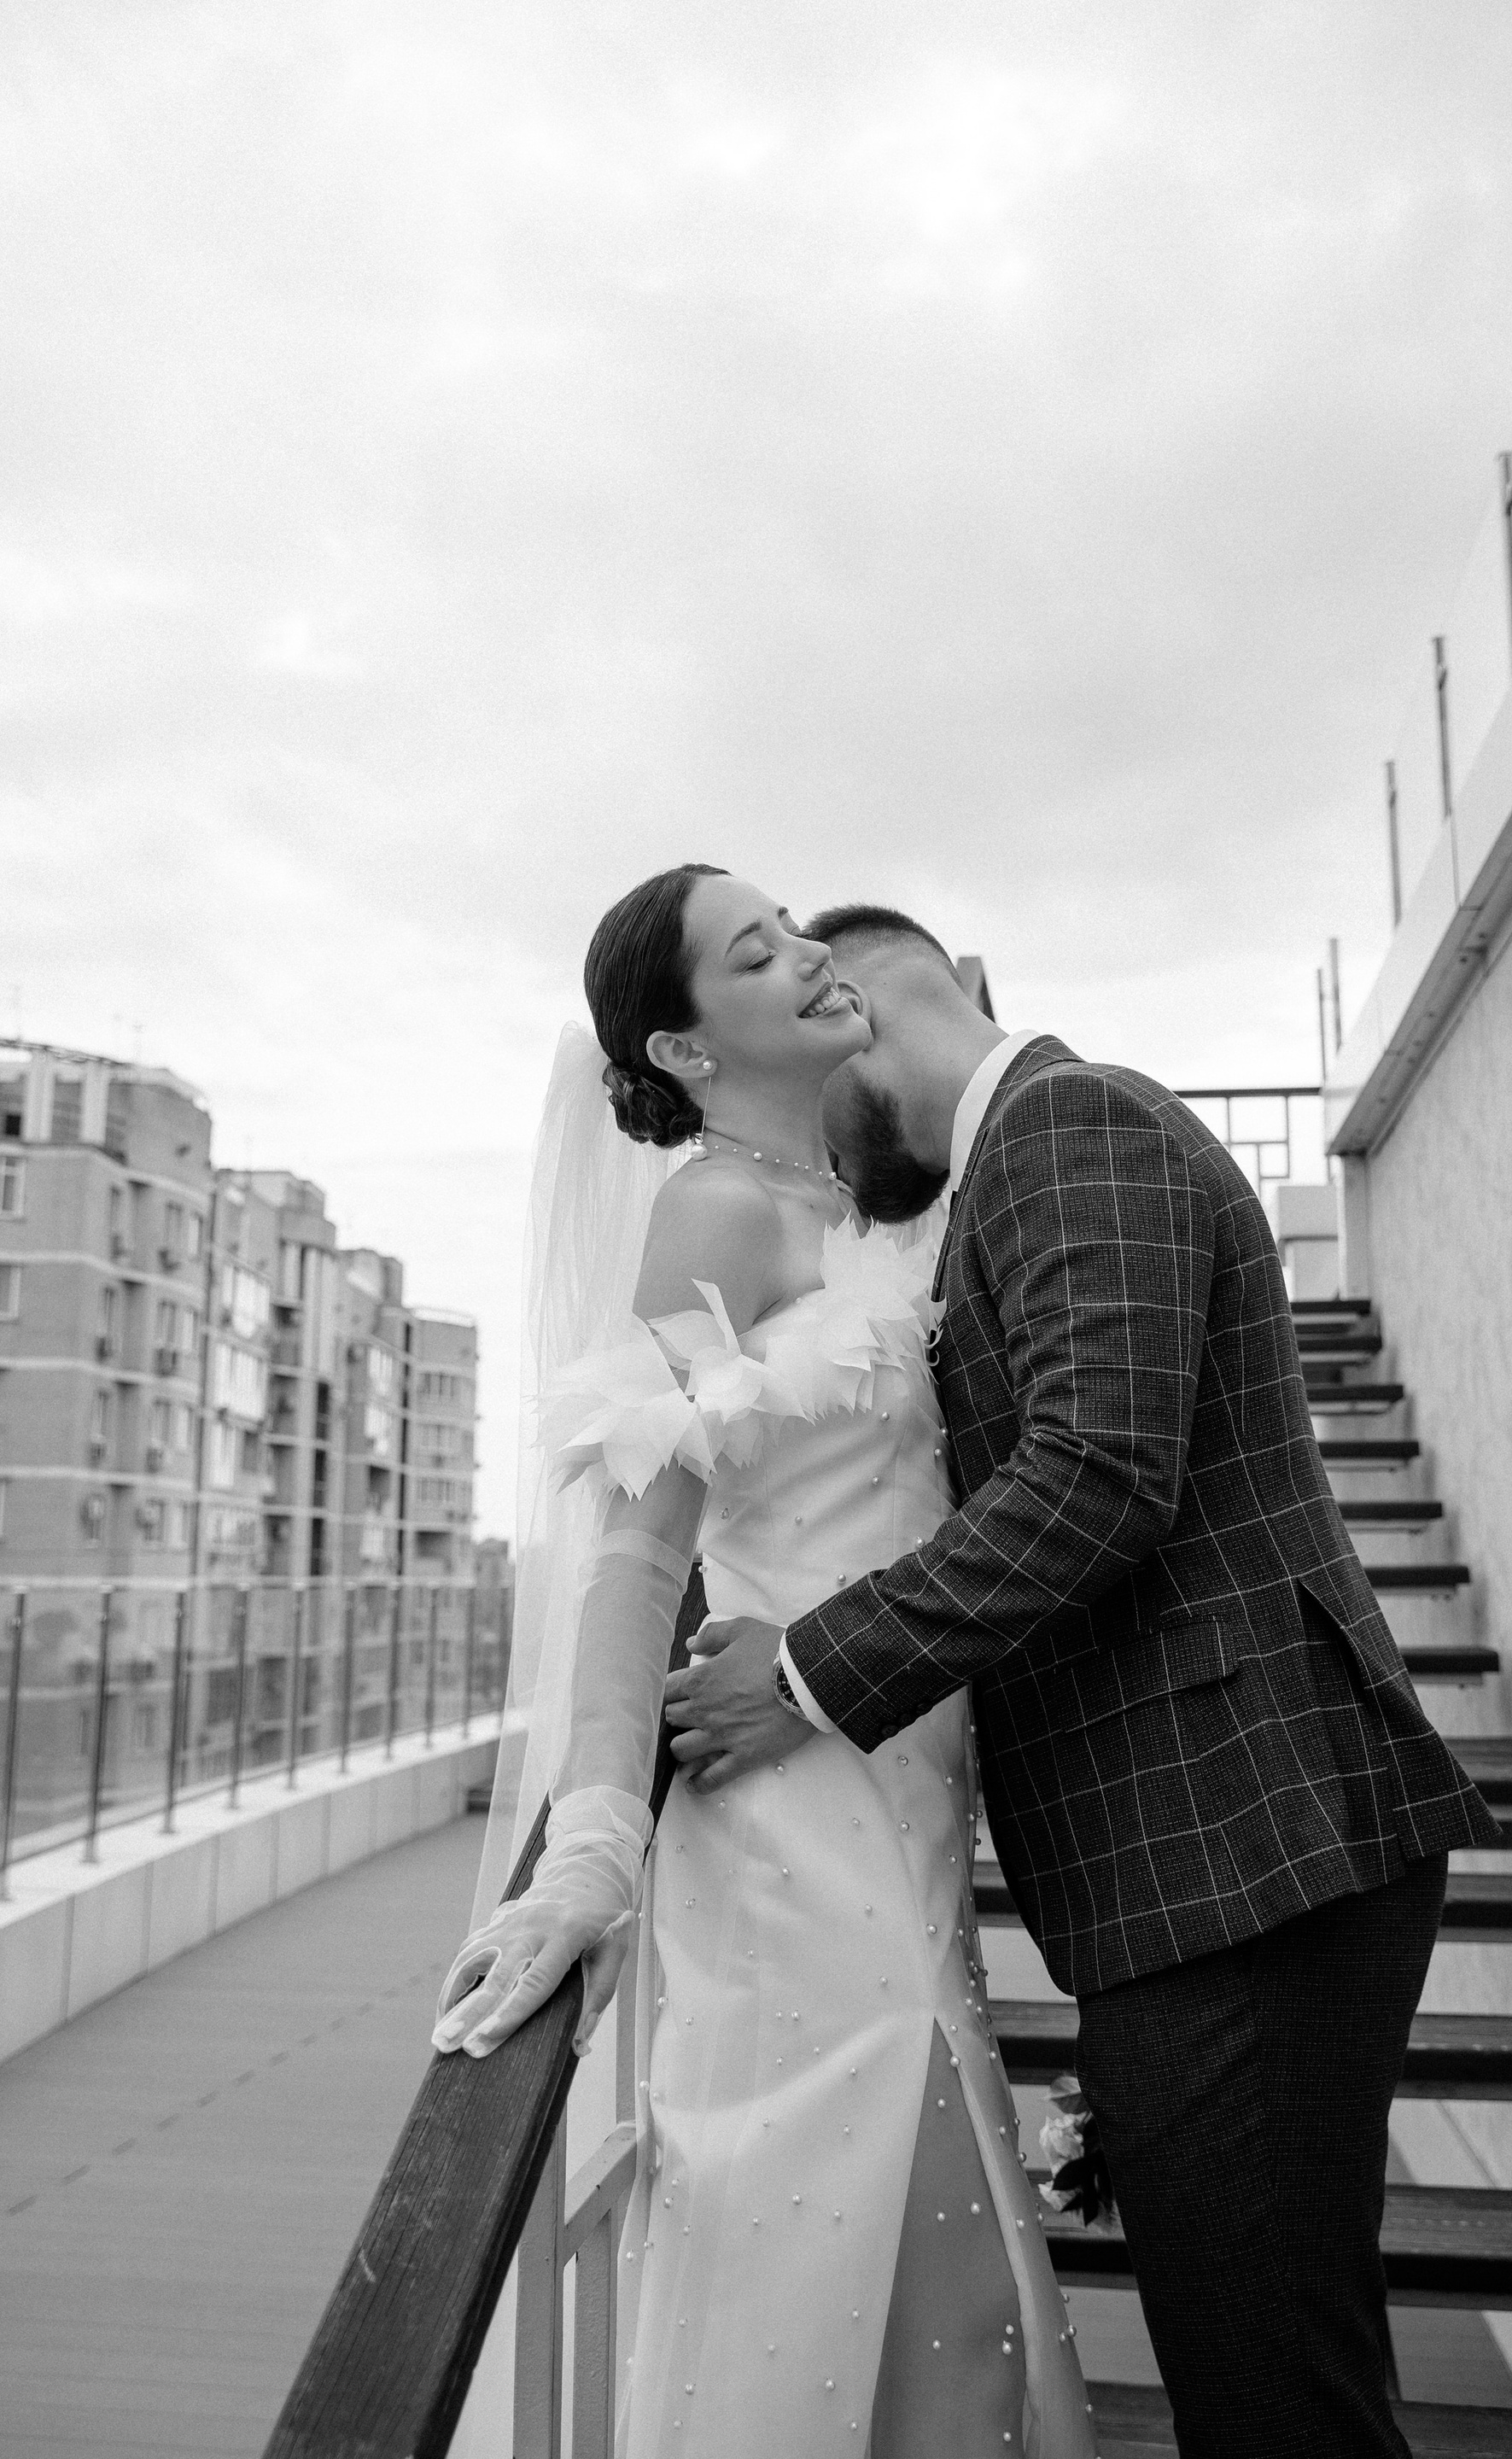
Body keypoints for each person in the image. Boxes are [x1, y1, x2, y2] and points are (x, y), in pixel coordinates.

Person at [664, 904, 1506, 2459]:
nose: (831, 1174)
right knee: (1276, 2371)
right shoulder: (1029, 1158)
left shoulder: (1071, 1124)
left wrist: (806, 1669)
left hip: (1246, 1849)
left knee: (1277, 2406)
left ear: (867, 1010)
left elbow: (1097, 1474)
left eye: (829, 1128)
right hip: (1211, 1863)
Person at [433, 866, 1095, 2459]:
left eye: (793, 928)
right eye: (756, 953)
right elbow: (638, 1550)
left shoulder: (855, 1208)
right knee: (881, 2256)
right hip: (793, 1828)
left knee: (938, 2263)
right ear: (684, 1049)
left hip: (902, 1795)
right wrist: (594, 1845)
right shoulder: (714, 1212)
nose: (807, 954)